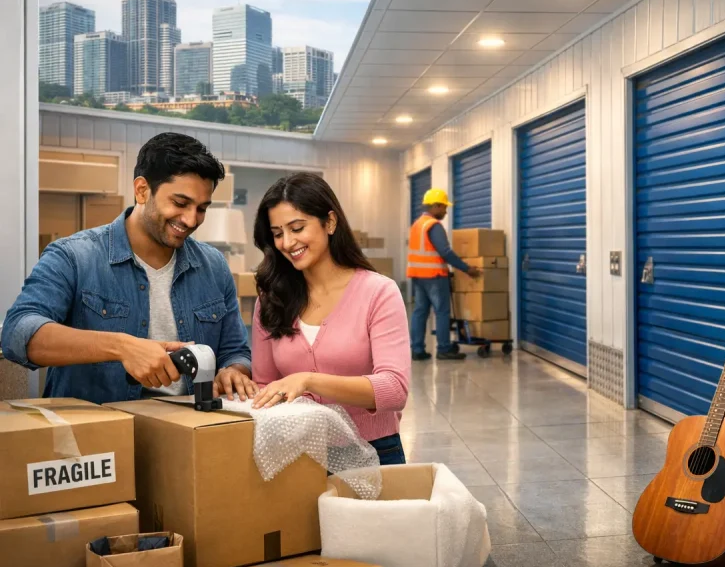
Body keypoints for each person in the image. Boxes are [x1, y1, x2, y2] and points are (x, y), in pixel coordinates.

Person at [1, 132, 255, 404]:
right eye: (180, 203)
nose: (192, 219)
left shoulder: (213, 266)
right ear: (142, 190)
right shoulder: (74, 256)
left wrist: (233, 371)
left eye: (202, 208)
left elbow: (235, 351)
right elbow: (18, 334)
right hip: (97, 435)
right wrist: (122, 347)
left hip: (186, 434)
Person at [247, 173, 411, 466]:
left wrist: (309, 381)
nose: (287, 242)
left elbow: (394, 389)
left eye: (297, 228)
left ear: (330, 222)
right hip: (296, 455)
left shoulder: (378, 292)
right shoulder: (271, 299)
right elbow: (264, 385)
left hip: (374, 450)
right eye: (277, 233)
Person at [407, 189, 481, 361]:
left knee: (420, 312)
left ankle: (417, 349)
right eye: (444, 208)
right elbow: (445, 252)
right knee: (442, 312)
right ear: (435, 206)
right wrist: (466, 268)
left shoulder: (418, 224)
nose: (445, 212)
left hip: (418, 276)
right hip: (434, 275)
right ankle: (444, 349)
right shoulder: (433, 225)